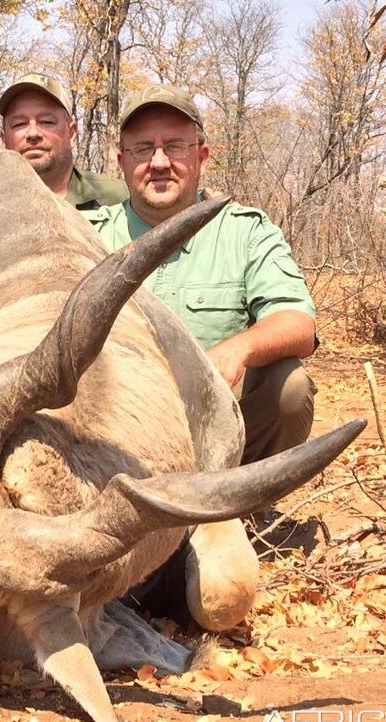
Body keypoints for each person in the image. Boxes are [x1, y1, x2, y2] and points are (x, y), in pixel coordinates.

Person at [90, 84, 317, 465]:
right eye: (143, 148)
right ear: (121, 161)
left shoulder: (245, 231)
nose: (159, 162)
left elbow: (298, 324)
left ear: (202, 157)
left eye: (175, 146)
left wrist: (237, 349)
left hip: (212, 419)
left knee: (290, 389)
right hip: (111, 425)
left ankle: (233, 501)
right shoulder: (87, 234)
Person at [0, 73, 127, 210]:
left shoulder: (119, 199)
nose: (33, 133)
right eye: (19, 124)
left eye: (46, 121)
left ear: (72, 134)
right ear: (4, 139)